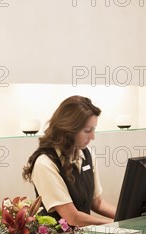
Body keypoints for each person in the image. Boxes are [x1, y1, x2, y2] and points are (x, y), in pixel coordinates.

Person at [22, 95, 116, 226]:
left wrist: (129, 216)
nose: (92, 137)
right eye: (87, 131)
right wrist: (115, 224)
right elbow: (72, 217)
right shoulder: (45, 163)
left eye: (93, 130)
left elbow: (97, 202)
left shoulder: (87, 154)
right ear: (68, 129)